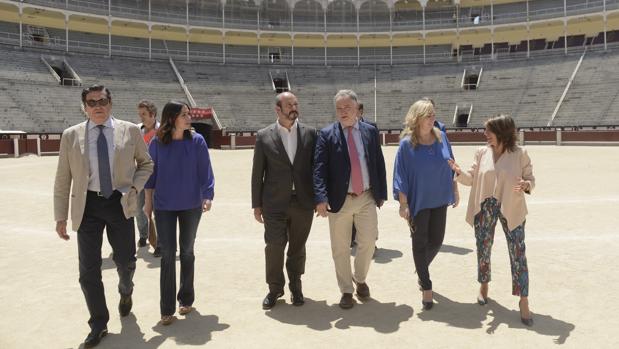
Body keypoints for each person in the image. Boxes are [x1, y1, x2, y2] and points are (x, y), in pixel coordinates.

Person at [54, 84, 153, 348]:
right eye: (91, 101)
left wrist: (133, 187)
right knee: (88, 270)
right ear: (84, 106)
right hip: (86, 207)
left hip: (119, 203)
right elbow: (63, 178)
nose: (97, 106)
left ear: (110, 103)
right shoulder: (70, 136)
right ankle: (98, 323)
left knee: (126, 261)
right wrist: (60, 216)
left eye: (102, 101)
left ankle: (125, 290)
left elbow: (147, 164)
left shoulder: (129, 131)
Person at [448, 114, 535, 326]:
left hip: (511, 207)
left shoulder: (520, 153)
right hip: (484, 206)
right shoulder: (481, 153)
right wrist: (459, 173)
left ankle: (523, 300)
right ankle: (484, 285)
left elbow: (530, 179)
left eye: (489, 131)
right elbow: (471, 179)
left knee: (518, 254)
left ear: (502, 132)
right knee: (483, 249)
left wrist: (526, 184)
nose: (485, 134)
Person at [314, 89, 387, 309]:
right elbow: (318, 169)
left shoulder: (370, 131)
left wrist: (380, 193)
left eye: (347, 108)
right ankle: (346, 290)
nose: (343, 112)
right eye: (339, 108)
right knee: (340, 248)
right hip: (339, 200)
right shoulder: (326, 134)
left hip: (365, 196)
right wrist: (320, 198)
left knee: (367, 242)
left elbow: (378, 162)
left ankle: (360, 277)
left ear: (357, 109)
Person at [143, 101, 215, 326]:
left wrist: (208, 194)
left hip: (191, 205)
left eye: (188, 114)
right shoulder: (156, 142)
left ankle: (186, 299)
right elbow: (150, 177)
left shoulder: (197, 141)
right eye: (184, 114)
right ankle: (166, 309)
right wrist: (148, 204)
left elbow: (205, 171)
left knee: (187, 251)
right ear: (172, 118)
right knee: (167, 255)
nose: (189, 118)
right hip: (164, 206)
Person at [251, 92, 317, 310]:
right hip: (273, 203)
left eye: (296, 103)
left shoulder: (310, 133)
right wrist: (256, 204)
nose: (294, 107)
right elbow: (257, 173)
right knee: (274, 246)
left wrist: (319, 198)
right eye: (289, 104)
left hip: (303, 201)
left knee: (298, 247)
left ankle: (296, 286)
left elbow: (316, 169)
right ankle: (274, 288)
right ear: (277, 109)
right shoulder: (263, 136)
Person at [393, 99, 459, 310]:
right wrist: (403, 204)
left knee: (437, 240)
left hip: (440, 197)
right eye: (428, 115)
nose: (433, 119)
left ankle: (420, 267)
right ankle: (426, 284)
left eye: (433, 114)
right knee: (419, 243)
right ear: (417, 118)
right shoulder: (406, 145)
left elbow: (452, 166)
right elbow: (400, 176)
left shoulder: (442, 138)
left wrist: (455, 189)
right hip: (418, 201)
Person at [135, 100, 161, 256]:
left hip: (158, 176)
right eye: (140, 114)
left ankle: (159, 242)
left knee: (159, 210)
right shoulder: (137, 130)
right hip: (140, 176)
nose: (141, 117)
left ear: (153, 114)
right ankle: (144, 235)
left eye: (144, 114)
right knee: (139, 209)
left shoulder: (163, 130)